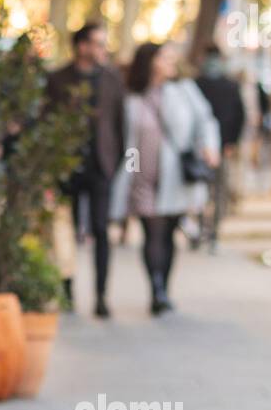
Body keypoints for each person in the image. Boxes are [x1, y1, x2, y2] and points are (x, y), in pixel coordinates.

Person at [110, 42, 221, 315]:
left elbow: (206, 119)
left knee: (169, 231)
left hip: (174, 176)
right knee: (152, 230)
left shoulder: (183, 90)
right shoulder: (131, 95)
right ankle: (156, 288)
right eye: (166, 57)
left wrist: (209, 147)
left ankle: (164, 286)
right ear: (150, 61)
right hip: (142, 175)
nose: (172, 62)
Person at [47, 22, 125, 318]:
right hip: (66, 168)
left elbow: (120, 124)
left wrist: (115, 163)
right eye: (97, 43)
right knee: (64, 229)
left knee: (102, 230)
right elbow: (47, 121)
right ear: (81, 46)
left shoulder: (112, 79)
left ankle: (101, 296)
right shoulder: (57, 79)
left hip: (100, 167)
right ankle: (67, 290)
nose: (102, 49)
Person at [196, 43, 246, 250]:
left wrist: (231, 143)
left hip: (219, 146)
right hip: (207, 147)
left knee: (213, 191)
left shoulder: (225, 85)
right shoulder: (198, 84)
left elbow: (239, 116)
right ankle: (205, 230)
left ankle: (208, 231)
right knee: (206, 191)